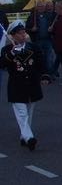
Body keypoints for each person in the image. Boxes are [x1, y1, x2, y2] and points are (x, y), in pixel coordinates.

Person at [0, 20, 44, 150]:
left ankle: (23, 136)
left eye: (23, 32)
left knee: (29, 113)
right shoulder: (7, 50)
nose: (22, 35)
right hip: (16, 86)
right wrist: (12, 54)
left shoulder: (33, 47)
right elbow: (1, 64)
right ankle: (30, 138)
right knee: (22, 113)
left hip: (32, 85)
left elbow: (40, 63)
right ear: (12, 36)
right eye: (19, 33)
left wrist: (44, 76)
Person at [26, 0, 55, 81]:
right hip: (37, 41)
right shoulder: (32, 17)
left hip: (48, 40)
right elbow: (26, 28)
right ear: (36, 7)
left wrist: (52, 29)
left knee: (49, 58)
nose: (41, 8)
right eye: (39, 6)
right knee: (39, 58)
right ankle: (40, 75)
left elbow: (54, 26)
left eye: (42, 6)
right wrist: (32, 29)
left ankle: (49, 74)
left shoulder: (48, 16)